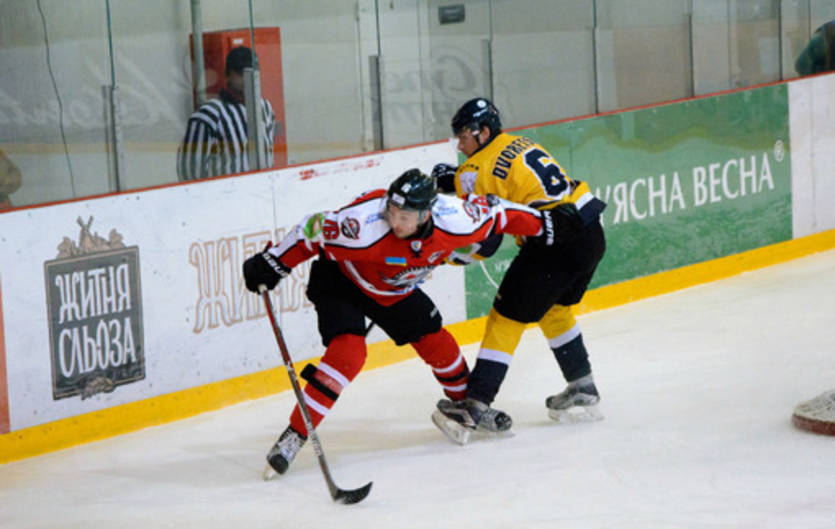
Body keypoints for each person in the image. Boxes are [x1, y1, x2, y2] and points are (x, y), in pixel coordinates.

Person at [242, 168, 569, 476]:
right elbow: (311, 230)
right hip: (340, 278)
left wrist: (547, 223)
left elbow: (499, 213)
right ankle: (294, 436)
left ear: (426, 214)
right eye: (392, 212)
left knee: (439, 344)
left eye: (404, 217)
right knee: (348, 355)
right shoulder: (363, 225)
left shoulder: (454, 218)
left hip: (392, 289)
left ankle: (465, 407)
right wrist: (273, 262)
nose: (394, 221)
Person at [430, 97, 607, 444]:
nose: (459, 145)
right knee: (554, 310)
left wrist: (441, 257)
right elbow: (503, 179)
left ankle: (474, 406)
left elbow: (486, 242)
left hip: (553, 243)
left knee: (504, 320)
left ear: (482, 132)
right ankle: (582, 385)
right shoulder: (518, 143)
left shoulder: (473, 170)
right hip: (590, 233)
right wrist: (458, 182)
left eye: (463, 136)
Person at [177, 46, 275, 180]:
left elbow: (268, 154)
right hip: (225, 192)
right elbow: (189, 171)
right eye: (241, 73)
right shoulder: (208, 115)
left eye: (253, 72)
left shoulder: (265, 108)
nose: (247, 78)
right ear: (228, 75)